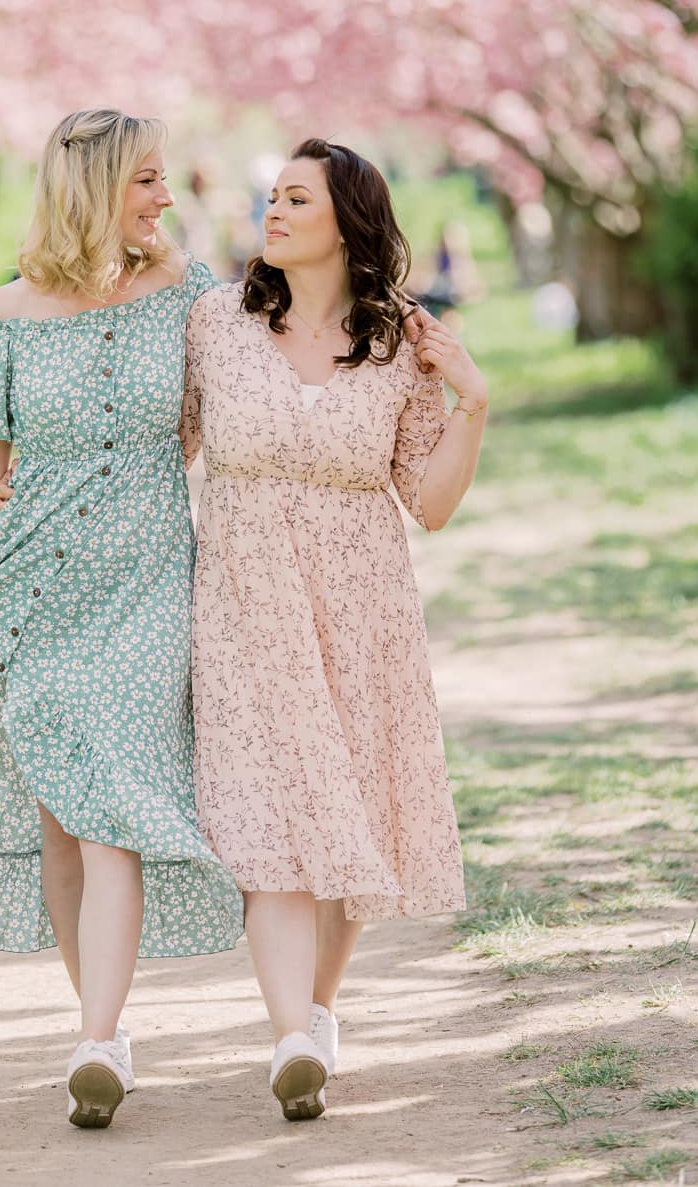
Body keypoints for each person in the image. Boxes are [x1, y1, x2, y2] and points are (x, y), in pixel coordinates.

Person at [0, 108, 242, 1133]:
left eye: (163, 180)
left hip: (150, 578)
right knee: (64, 817)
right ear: (94, 188)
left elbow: (219, 419)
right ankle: (96, 1026)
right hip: (32, 585)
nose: (164, 197)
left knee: (106, 798)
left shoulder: (189, 294)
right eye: (145, 181)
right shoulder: (2, 314)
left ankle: (100, 1041)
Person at [179, 138, 487, 1120]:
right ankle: (288, 1039)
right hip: (243, 607)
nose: (272, 211)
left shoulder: (399, 342)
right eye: (271, 195)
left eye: (296, 198)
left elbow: (429, 501)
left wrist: (473, 400)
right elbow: (163, 445)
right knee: (267, 821)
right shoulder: (215, 324)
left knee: (351, 819)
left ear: (347, 223)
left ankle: (314, 1015)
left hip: (363, 611)